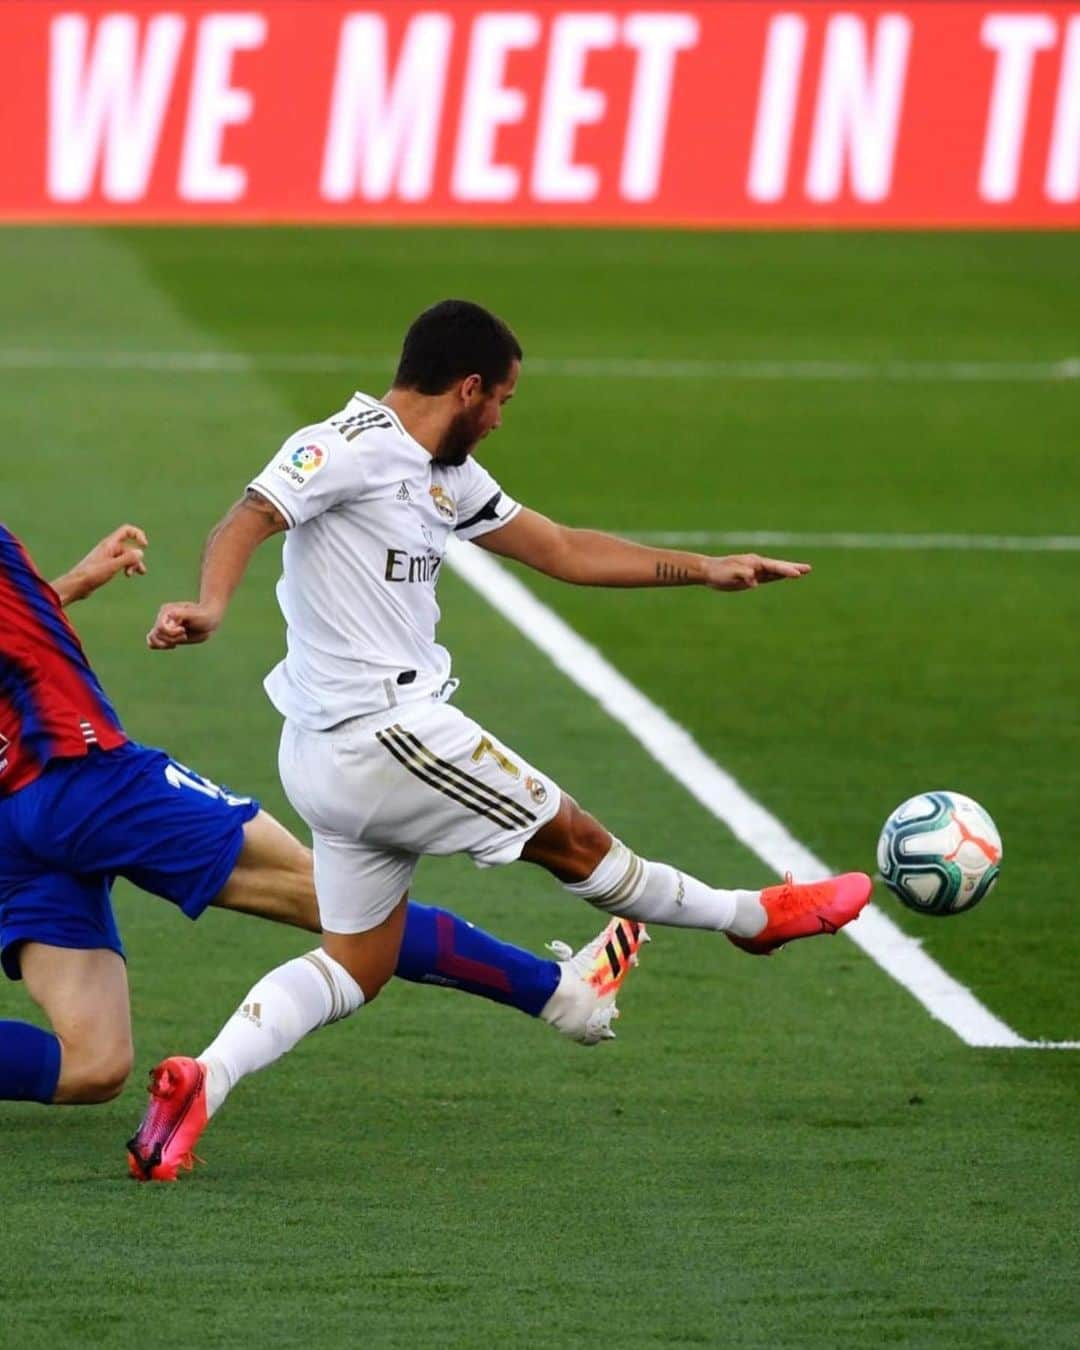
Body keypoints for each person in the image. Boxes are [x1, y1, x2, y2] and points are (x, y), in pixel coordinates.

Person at [132, 299, 870, 1180]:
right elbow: (247, 517)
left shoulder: (447, 471)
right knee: (576, 840)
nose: (501, 421)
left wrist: (703, 569)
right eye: (502, 402)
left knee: (356, 967)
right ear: (470, 387)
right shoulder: (347, 443)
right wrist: (212, 604)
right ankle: (753, 918)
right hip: (386, 736)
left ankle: (200, 1085)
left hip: (329, 758)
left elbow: (560, 548)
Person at [0, 521, 648, 1143]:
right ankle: (563, 995)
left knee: (93, 1064)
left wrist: (68, 586)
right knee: (334, 899)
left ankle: (562, 995)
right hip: (80, 774)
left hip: (14, 819)